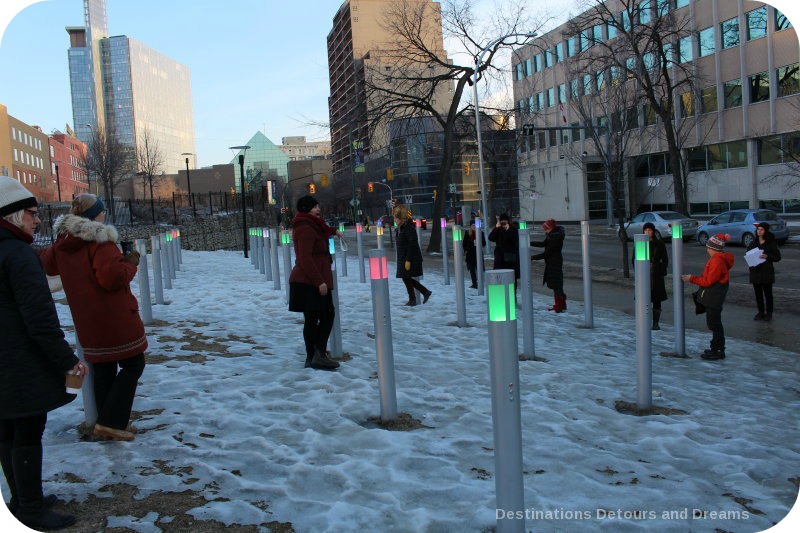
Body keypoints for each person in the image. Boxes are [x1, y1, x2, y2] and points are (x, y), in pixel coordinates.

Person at [0, 176, 85, 530]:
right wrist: (68, 361)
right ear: (11, 215)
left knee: (7, 430)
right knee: (27, 431)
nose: (37, 220)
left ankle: (21, 497)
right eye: (32, 213)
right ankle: (30, 507)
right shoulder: (19, 255)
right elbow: (39, 319)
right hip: (18, 361)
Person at [39, 194, 146, 441]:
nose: (104, 213)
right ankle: (111, 423)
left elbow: (48, 265)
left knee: (104, 368)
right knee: (134, 365)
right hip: (114, 317)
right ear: (95, 215)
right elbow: (113, 278)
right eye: (101, 210)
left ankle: (105, 424)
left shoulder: (64, 243)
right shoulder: (101, 241)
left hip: (87, 320)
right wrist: (130, 263)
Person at [288, 195, 342, 370]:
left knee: (321, 316)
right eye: (314, 207)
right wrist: (319, 282)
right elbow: (304, 258)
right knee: (320, 316)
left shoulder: (313, 224)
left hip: (314, 279)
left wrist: (335, 231)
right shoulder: (305, 227)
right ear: (306, 209)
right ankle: (316, 354)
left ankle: (315, 356)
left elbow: (323, 230)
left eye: (318, 206)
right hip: (308, 281)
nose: (318, 209)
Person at [681, 233, 734, 360]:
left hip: (714, 298)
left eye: (708, 247)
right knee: (713, 323)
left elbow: (708, 281)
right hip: (713, 296)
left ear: (714, 248)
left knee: (714, 324)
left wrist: (691, 279)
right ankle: (715, 347)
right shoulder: (717, 259)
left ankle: (718, 350)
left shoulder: (717, 261)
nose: (707, 250)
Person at [393, 205, 431, 306]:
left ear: (400, 218)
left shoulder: (408, 228)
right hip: (403, 257)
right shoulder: (400, 228)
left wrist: (408, 260)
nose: (394, 220)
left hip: (410, 258)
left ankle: (414, 298)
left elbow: (412, 244)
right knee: (405, 277)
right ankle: (422, 294)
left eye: (396, 218)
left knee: (405, 277)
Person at [530, 218, 566, 312]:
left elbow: (547, 253)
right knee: (556, 284)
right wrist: (529, 243)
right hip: (552, 262)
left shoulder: (555, 237)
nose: (545, 230)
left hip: (554, 263)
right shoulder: (552, 235)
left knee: (556, 284)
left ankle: (559, 306)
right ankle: (561, 305)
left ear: (551, 228)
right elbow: (543, 244)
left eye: (546, 228)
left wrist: (532, 257)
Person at [747, 222, 781, 321]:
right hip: (755, 271)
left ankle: (769, 313)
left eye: (761, 229)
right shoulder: (753, 242)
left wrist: (767, 256)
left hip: (766, 271)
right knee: (758, 294)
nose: (759, 231)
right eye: (758, 229)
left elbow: (777, 257)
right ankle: (760, 312)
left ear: (765, 231)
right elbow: (748, 253)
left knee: (768, 294)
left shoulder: (771, 242)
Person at [641, 221, 669, 330]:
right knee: (644, 298)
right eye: (646, 230)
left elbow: (665, 259)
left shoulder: (659, 244)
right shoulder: (641, 243)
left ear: (653, 231)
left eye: (650, 230)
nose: (648, 232)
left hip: (656, 275)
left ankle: (655, 323)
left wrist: (661, 269)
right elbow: (634, 259)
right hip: (644, 275)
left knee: (657, 299)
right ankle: (644, 322)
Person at [488, 213, 520, 288]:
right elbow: (491, 238)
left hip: (510, 259)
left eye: (505, 221)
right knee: (500, 279)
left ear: (508, 221)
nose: (503, 223)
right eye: (502, 221)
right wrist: (496, 228)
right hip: (500, 258)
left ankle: (512, 297)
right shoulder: (498, 229)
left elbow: (514, 239)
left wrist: (508, 230)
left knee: (511, 280)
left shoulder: (513, 229)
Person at [464, 220, 485, 289]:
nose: (473, 227)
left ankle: (481, 282)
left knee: (479, 268)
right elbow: (464, 243)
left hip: (478, 253)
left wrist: (478, 241)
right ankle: (474, 283)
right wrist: (466, 249)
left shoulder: (480, 233)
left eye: (474, 225)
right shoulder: (467, 233)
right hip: (470, 254)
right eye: (472, 225)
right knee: (472, 270)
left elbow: (484, 243)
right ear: (470, 226)